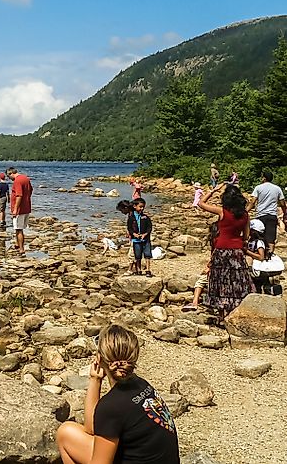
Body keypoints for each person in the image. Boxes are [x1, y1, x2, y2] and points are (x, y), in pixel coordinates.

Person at [56, 324, 180, 464]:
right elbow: (92, 428)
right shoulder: (141, 384)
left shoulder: (111, 406)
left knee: (64, 434)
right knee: (67, 432)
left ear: (99, 358)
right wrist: (95, 380)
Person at [196, 182, 255, 320]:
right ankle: (234, 310)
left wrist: (213, 190)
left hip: (222, 249)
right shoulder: (245, 215)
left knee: (220, 279)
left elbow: (200, 203)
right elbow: (246, 236)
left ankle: (222, 312)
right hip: (237, 251)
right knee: (236, 280)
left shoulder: (222, 211)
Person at [248, 170, 286, 254]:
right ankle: (270, 256)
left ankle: (259, 255)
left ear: (264, 178)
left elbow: (252, 202)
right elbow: (283, 203)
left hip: (260, 216)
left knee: (258, 237)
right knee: (271, 239)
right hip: (272, 216)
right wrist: (285, 213)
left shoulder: (258, 188)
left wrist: (245, 211)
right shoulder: (277, 189)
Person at [184, 221, 220, 311]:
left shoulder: (216, 242)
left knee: (199, 282)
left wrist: (209, 268)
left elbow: (215, 257)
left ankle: (195, 302)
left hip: (217, 270)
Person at [8, 167, 33, 254]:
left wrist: (15, 209)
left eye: (8, 176)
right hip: (26, 208)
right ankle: (18, 244)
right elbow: (30, 190)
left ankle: (21, 249)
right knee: (18, 228)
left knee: (19, 229)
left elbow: (19, 195)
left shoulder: (17, 181)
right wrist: (27, 200)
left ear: (11, 173)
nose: (9, 179)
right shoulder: (26, 178)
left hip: (20, 209)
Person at [127, 198, 153, 276]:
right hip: (136, 240)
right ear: (135, 206)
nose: (142, 208)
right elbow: (129, 228)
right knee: (137, 256)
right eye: (140, 207)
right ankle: (138, 270)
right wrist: (134, 234)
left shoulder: (145, 217)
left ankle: (148, 270)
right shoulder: (131, 217)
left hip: (145, 239)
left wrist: (145, 234)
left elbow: (149, 227)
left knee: (147, 255)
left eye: (143, 207)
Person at [246, 219, 269, 293]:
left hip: (256, 267)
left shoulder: (259, 242)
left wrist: (247, 252)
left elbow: (261, 257)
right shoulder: (250, 241)